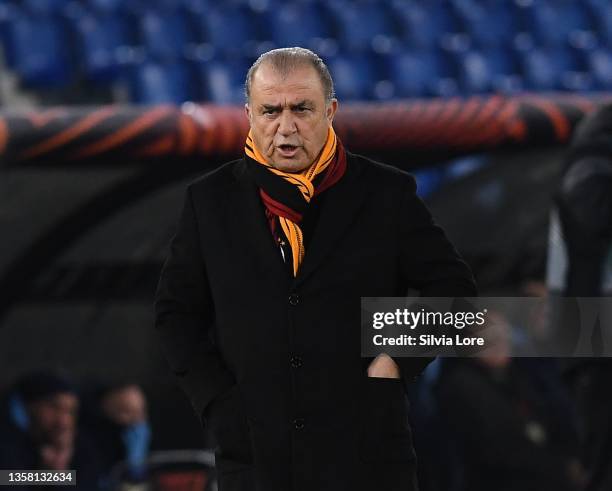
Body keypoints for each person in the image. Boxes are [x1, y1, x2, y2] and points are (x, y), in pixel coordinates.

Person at [154, 47, 476, 491]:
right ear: (249, 114)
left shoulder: (386, 193)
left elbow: (456, 295)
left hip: (368, 459)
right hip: (256, 460)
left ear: (331, 111)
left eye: (301, 109)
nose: (285, 127)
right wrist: (218, 402)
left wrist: (394, 362)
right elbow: (176, 315)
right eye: (270, 111)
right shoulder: (208, 202)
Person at [0, 371, 102, 490]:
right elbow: (6, 479)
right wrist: (54, 475)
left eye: (70, 411)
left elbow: (89, 483)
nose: (63, 420)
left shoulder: (75, 442)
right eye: (54, 407)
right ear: (30, 406)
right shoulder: (7, 441)